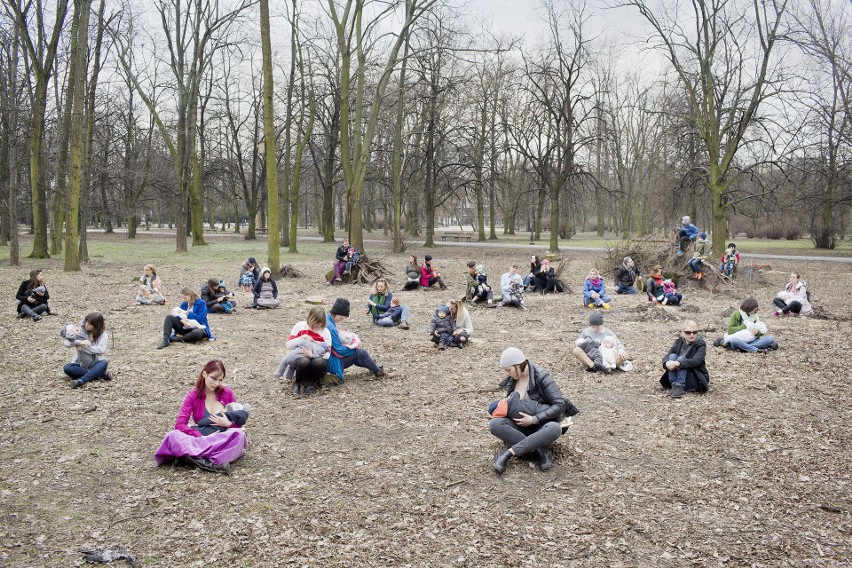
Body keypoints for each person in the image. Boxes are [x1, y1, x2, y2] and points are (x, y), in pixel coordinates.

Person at [490, 347, 579, 474]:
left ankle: (509, 453)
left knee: (555, 428)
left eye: (508, 370)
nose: (507, 374)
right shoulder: (512, 380)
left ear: (517, 365)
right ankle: (540, 450)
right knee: (495, 424)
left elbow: (559, 404)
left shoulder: (541, 376)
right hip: (519, 425)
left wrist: (534, 419)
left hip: (541, 425)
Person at [154, 360, 247, 474]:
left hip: (220, 438)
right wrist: (198, 436)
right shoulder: (193, 395)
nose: (217, 384)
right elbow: (180, 424)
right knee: (172, 436)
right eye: (214, 378)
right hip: (201, 438)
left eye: (220, 380)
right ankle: (209, 461)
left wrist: (228, 424)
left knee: (240, 436)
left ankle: (192, 457)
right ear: (204, 374)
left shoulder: (227, 393)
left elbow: (237, 421)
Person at [326, 298, 385, 381]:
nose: (341, 321)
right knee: (361, 352)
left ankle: (374, 367)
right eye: (340, 318)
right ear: (335, 313)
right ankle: (378, 371)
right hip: (333, 362)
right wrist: (355, 347)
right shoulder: (331, 327)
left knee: (358, 356)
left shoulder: (327, 318)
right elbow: (339, 350)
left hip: (329, 358)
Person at [279, 307, 332, 396]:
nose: (315, 326)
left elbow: (327, 354)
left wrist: (313, 355)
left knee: (318, 362)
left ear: (322, 323)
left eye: (318, 324)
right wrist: (302, 337)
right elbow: (288, 344)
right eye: (313, 323)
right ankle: (297, 383)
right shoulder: (300, 326)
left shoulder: (325, 332)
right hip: (301, 359)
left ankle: (312, 383)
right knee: (304, 360)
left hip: (317, 361)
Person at [62, 312, 113, 388]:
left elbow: (101, 349)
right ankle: (100, 375)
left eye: (90, 324)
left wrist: (82, 348)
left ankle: (80, 381)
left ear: (96, 326)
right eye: (86, 322)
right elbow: (67, 343)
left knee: (104, 362)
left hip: (96, 363)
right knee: (67, 368)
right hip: (80, 363)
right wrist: (80, 342)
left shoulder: (103, 334)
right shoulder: (81, 330)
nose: (86, 325)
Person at [660, 320, 709, 398]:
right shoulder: (679, 341)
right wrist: (667, 363)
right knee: (672, 356)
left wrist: (678, 363)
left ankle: (679, 385)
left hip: (695, 377)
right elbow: (668, 355)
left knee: (681, 358)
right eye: (688, 332)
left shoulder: (701, 344)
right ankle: (674, 385)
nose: (692, 335)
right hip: (679, 375)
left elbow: (696, 361)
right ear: (682, 333)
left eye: (694, 332)